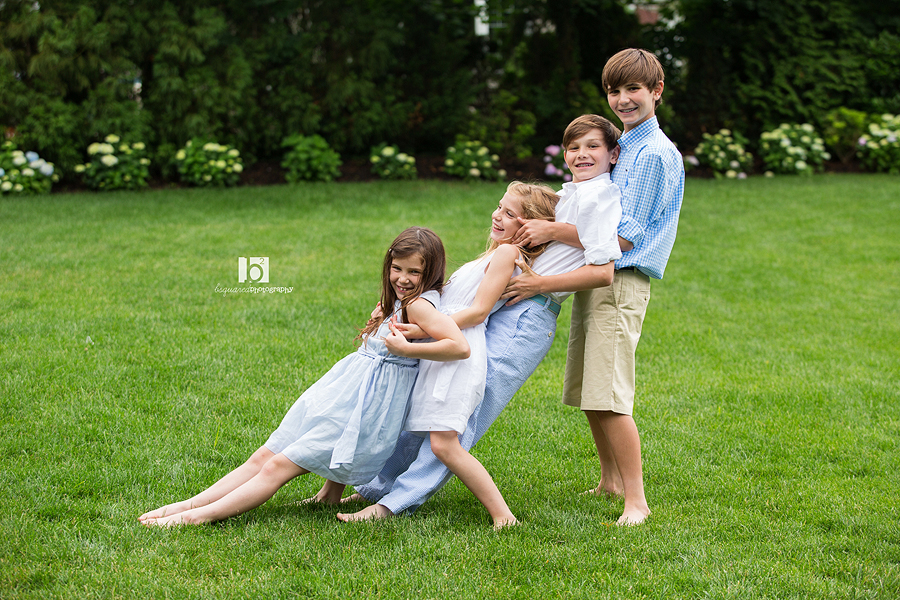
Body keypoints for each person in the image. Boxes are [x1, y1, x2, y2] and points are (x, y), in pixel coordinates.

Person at [318, 158, 622, 522]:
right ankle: (376, 488)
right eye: (499, 207)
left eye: (509, 213)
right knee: (420, 416)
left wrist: (426, 328)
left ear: (529, 226)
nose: (497, 215)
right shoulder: (494, 254)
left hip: (511, 325)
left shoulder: (514, 252)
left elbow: (478, 310)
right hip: (468, 328)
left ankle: (394, 503)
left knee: (451, 429)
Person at [138, 227, 470, 527]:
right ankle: (189, 504)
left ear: (430, 272)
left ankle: (196, 517)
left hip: (364, 407)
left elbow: (459, 346)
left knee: (276, 465)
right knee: (265, 455)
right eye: (397, 268)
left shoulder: (419, 306)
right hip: (347, 394)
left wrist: (407, 349)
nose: (403, 278)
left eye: (414, 272)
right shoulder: (402, 301)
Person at [511, 48, 685, 525]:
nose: (623, 99)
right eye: (614, 90)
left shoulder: (653, 154)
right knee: (590, 390)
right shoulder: (621, 145)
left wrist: (551, 232)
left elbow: (623, 238)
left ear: (657, 91)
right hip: (594, 278)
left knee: (609, 395)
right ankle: (610, 481)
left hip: (620, 281)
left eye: (634, 89)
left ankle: (636, 501)